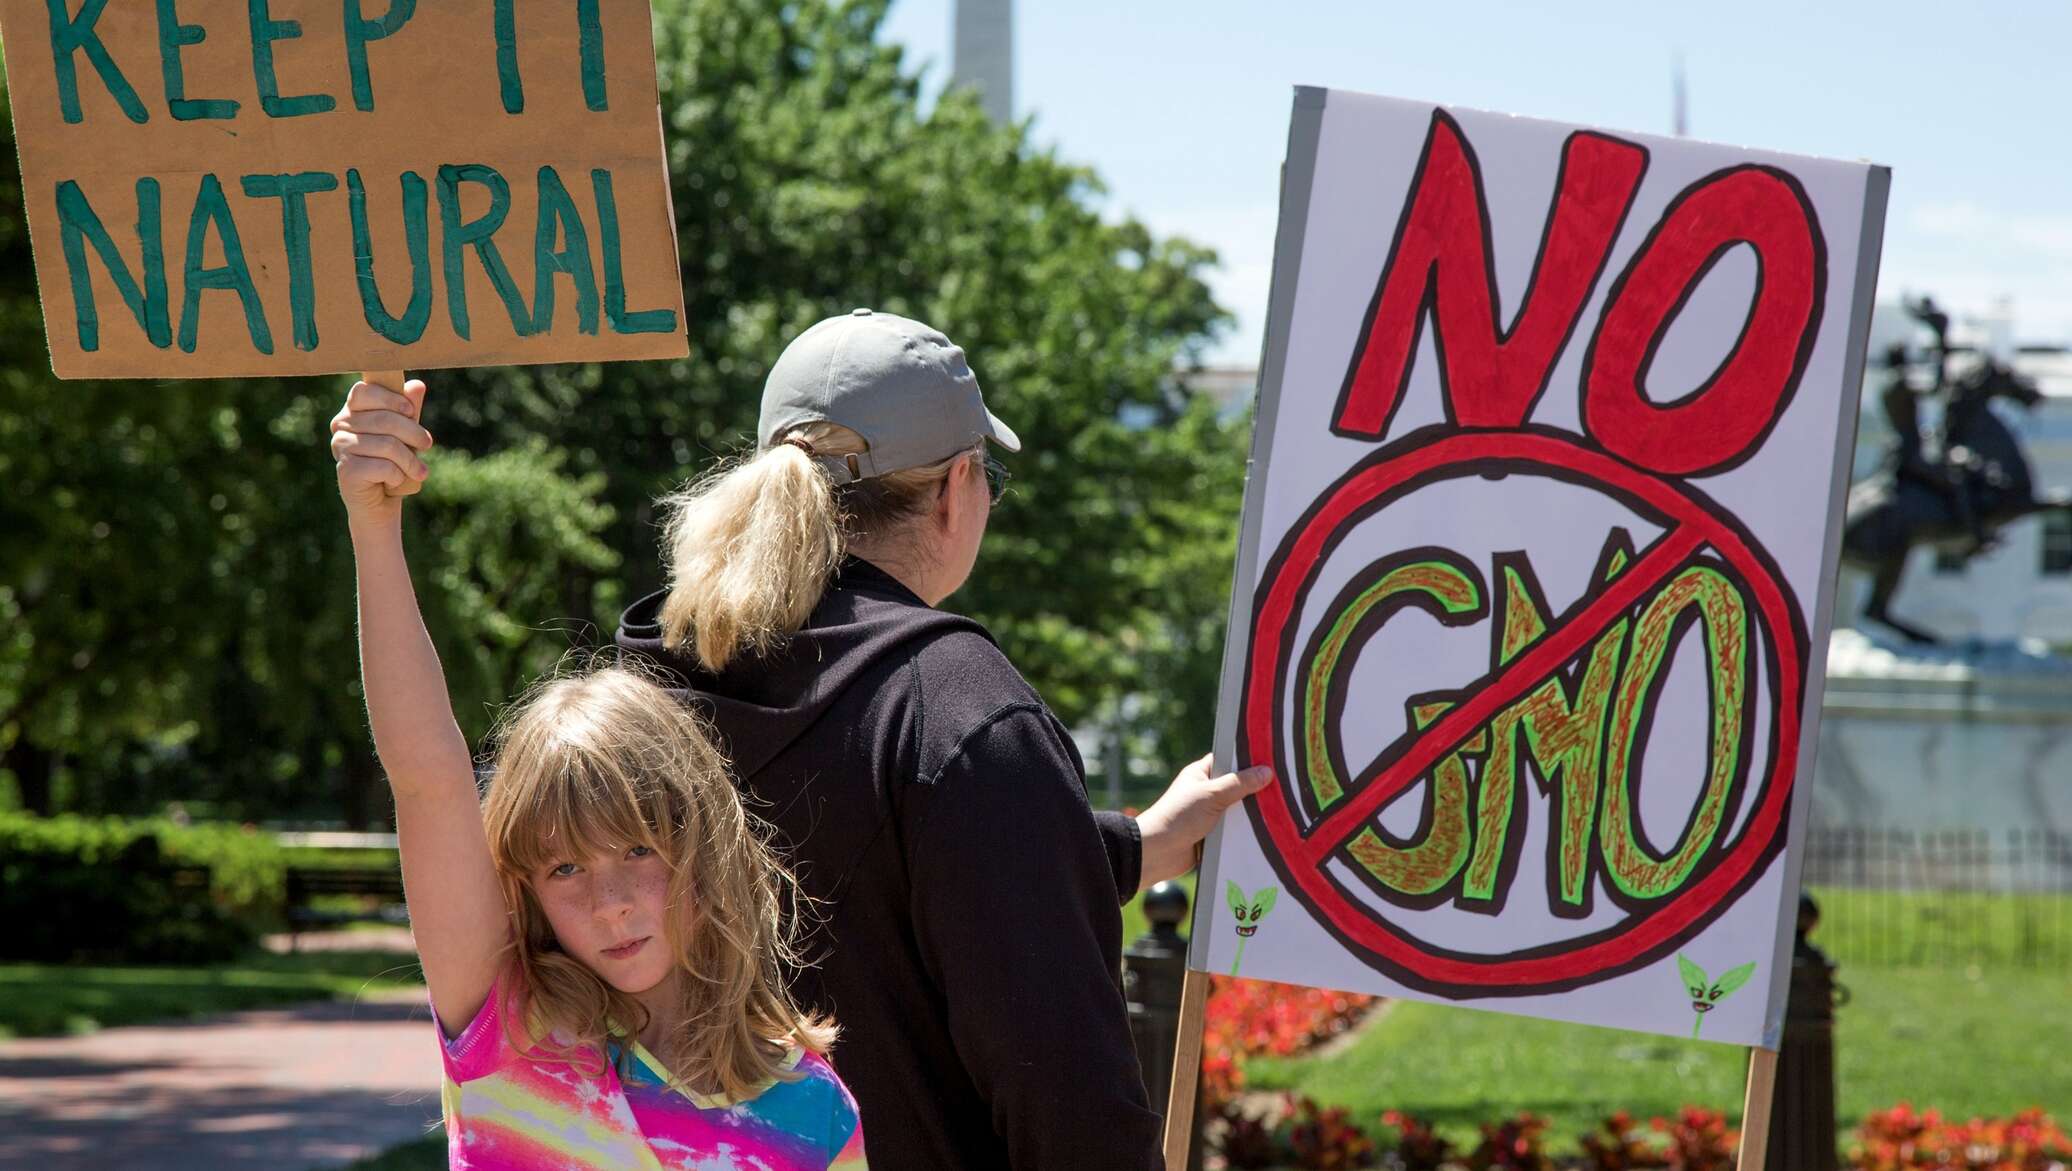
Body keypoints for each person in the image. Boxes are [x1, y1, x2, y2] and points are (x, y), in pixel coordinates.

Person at [613, 309, 1272, 1169]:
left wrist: (1129, 846)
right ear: (958, 486)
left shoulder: (648, 689)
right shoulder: (958, 708)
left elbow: (872, 861)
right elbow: (1068, 1096)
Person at [329, 377, 861, 1171]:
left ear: (703, 845)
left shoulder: (812, 1107)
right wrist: (374, 526)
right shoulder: (510, 1028)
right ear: (526, 885)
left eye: (638, 850)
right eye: (565, 865)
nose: (608, 903)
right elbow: (429, 776)